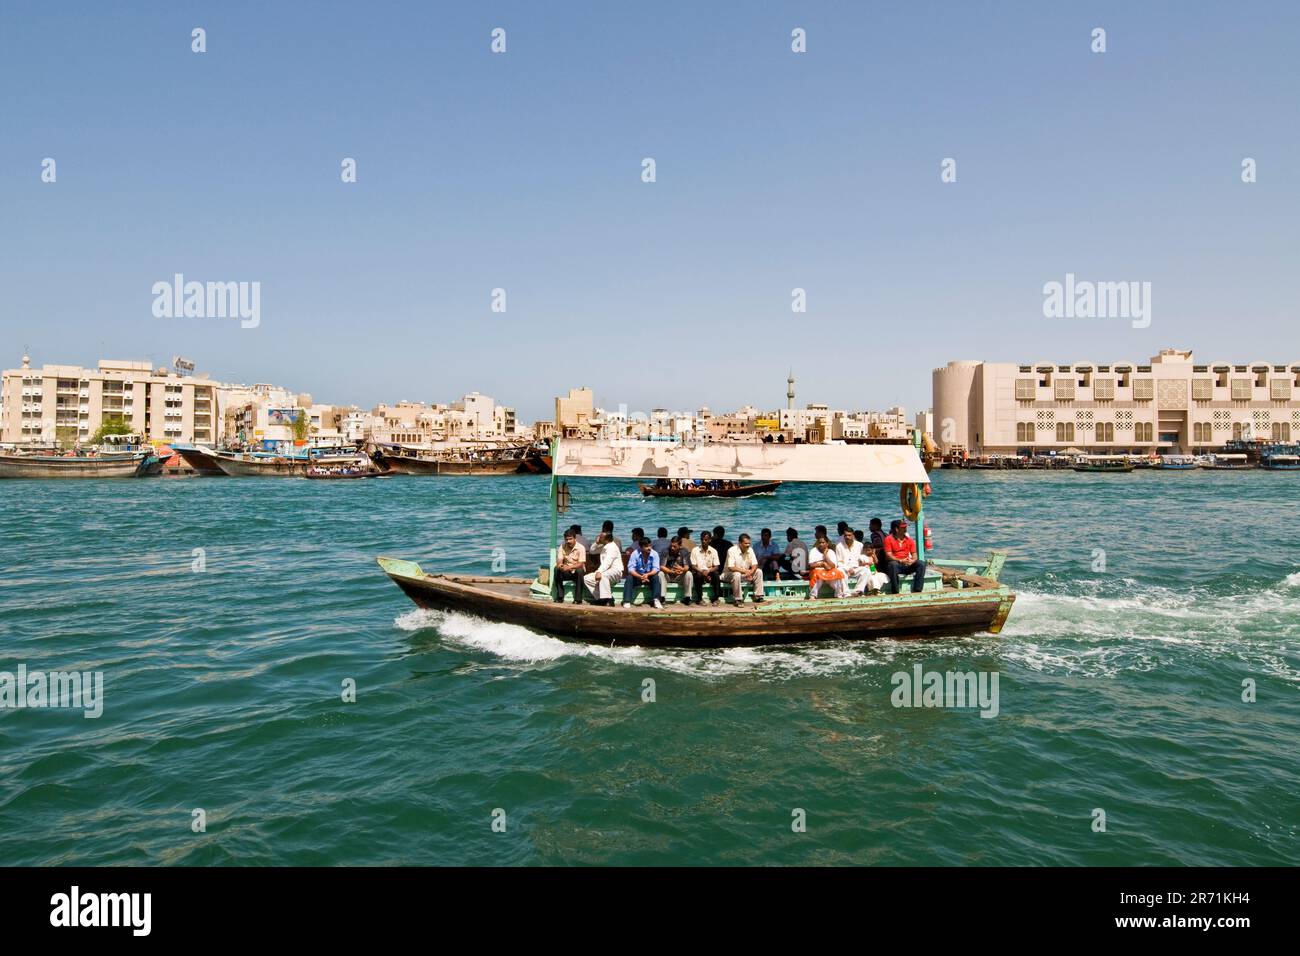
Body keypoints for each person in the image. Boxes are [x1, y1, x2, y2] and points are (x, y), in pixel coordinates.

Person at [837, 528, 886, 596]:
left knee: (866, 571)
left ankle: (858, 591)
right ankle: (846, 593)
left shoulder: (859, 545)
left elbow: (865, 558)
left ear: (853, 535)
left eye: (849, 535)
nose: (847, 537)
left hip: (857, 568)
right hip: (845, 569)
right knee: (839, 570)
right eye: (845, 535)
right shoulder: (839, 546)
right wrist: (847, 568)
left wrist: (870, 565)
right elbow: (839, 562)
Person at [882, 519, 927, 594]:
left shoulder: (909, 540)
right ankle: (895, 591)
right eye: (903, 527)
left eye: (905, 527)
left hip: (907, 564)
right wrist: (900, 560)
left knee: (921, 564)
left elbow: (914, 554)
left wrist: (912, 560)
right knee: (893, 564)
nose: (905, 529)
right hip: (896, 565)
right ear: (896, 529)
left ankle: (917, 589)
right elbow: (888, 555)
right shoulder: (888, 539)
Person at [583, 531, 624, 605]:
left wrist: (599, 572)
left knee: (603, 576)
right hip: (605, 571)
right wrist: (596, 543)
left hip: (615, 572)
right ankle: (606, 598)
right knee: (587, 578)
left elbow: (607, 563)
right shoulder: (604, 545)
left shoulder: (612, 547)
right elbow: (592, 551)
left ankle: (605, 599)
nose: (598, 538)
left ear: (606, 539)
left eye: (601, 537)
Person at [725, 533, 766, 605]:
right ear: (740, 543)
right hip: (728, 575)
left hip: (745, 574)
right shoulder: (732, 550)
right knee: (737, 574)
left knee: (759, 571)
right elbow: (731, 567)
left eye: (749, 543)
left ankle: (758, 596)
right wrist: (747, 572)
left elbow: (755, 564)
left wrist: (751, 572)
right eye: (746, 543)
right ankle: (738, 599)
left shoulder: (750, 550)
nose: (748, 545)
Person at [623, 537, 664, 609]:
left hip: (649, 576)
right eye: (646, 546)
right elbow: (631, 569)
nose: (649, 548)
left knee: (656, 577)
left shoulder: (654, 554)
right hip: (638, 576)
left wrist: (647, 575)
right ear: (641, 547)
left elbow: (656, 569)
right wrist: (640, 576)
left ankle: (656, 600)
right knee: (629, 578)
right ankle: (627, 601)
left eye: (650, 545)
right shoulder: (635, 553)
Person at [553, 529, 587, 603]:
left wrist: (569, 567)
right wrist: (560, 565)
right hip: (566, 571)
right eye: (566, 539)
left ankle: (578, 599)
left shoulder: (581, 548)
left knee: (580, 570)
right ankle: (560, 596)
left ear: (575, 538)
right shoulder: (562, 546)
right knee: (556, 569)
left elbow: (581, 563)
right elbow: (559, 559)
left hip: (577, 573)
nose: (568, 541)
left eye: (570, 539)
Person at [807, 535, 846, 599]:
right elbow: (811, 565)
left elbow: (833, 565)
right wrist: (822, 564)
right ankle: (813, 595)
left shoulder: (831, 552)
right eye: (820, 543)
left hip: (829, 571)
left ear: (827, 544)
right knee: (818, 574)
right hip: (817, 571)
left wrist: (825, 555)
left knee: (838, 573)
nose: (821, 544)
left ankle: (839, 594)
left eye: (823, 543)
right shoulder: (814, 551)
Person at [690, 530, 722, 606]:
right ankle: (699, 599)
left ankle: (716, 598)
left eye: (706, 540)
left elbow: (716, 566)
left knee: (716, 575)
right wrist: (701, 571)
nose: (703, 541)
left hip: (709, 571)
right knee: (698, 575)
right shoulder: (695, 550)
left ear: (710, 540)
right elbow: (693, 565)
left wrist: (708, 571)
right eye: (702, 539)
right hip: (699, 571)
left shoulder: (713, 551)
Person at [660, 535, 695, 605]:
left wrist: (682, 569)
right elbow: (661, 566)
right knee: (660, 573)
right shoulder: (665, 551)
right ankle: (662, 597)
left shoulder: (684, 551)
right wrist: (671, 572)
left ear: (680, 546)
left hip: (679, 576)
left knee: (689, 574)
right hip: (668, 575)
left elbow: (687, 567)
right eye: (671, 546)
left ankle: (687, 597)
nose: (672, 548)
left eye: (674, 546)